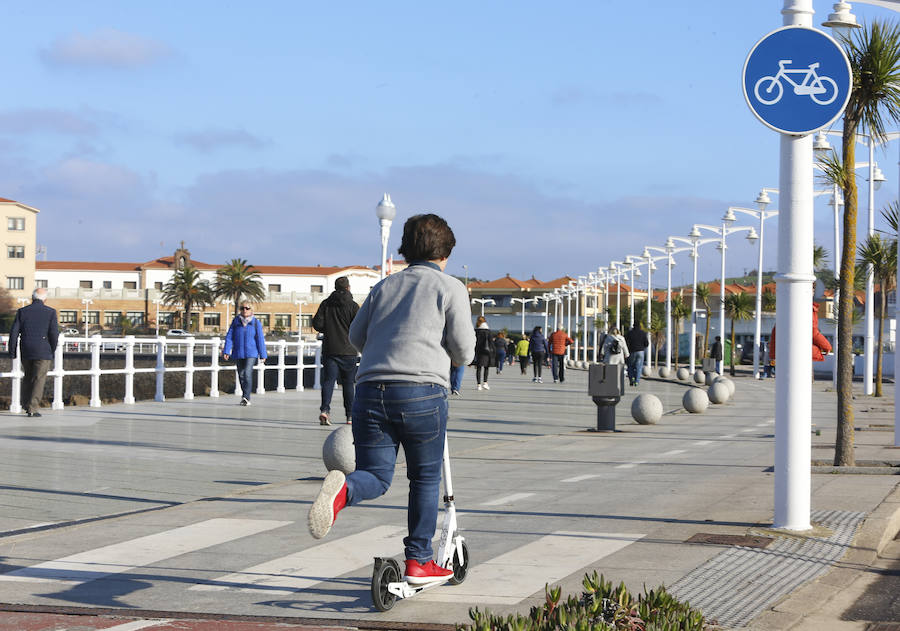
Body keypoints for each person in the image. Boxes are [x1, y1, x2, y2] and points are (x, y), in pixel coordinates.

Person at [307, 213, 475, 586]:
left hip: (370, 391)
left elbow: (355, 337)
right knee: (425, 478)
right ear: (445, 253)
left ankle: (344, 491)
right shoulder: (450, 288)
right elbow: (464, 350)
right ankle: (418, 561)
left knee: (377, 476)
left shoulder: (385, 286)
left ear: (406, 250)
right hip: (421, 393)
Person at [312, 276, 360, 425]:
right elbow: (358, 326)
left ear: (335, 287)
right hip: (349, 350)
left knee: (328, 381)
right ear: (348, 288)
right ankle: (350, 416)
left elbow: (317, 324)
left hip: (330, 348)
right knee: (348, 383)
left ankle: (325, 410)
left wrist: (329, 327)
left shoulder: (326, 304)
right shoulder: (353, 306)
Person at [8, 288, 58, 417]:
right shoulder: (50, 312)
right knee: (38, 379)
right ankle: (32, 408)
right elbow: (53, 334)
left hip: (26, 349)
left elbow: (14, 332)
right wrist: (52, 349)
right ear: (45, 299)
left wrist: (12, 351)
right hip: (43, 350)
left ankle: (25, 404)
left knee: (27, 377)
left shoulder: (22, 311)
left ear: (32, 297)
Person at [223, 302, 267, 406]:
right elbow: (229, 336)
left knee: (247, 374)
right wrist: (226, 350)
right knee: (241, 375)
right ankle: (244, 395)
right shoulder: (236, 321)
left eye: (247, 308)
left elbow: (260, 339)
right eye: (242, 308)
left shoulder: (256, 323)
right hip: (238, 352)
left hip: (251, 353)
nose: (245, 310)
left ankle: (246, 397)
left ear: (251, 310)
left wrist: (263, 354)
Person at [624, 321, 649, 386]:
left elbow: (626, 342)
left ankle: (632, 377)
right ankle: (637, 381)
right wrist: (642, 347)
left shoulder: (630, 333)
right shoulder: (643, 333)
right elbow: (646, 343)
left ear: (633, 326)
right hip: (640, 351)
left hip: (632, 351)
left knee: (630, 366)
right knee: (639, 367)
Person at [473, 316, 495, 390]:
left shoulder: (475, 330)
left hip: (478, 351)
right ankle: (485, 383)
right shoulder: (488, 331)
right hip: (486, 351)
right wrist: (494, 351)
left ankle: (478, 384)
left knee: (478, 368)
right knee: (486, 367)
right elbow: (491, 343)